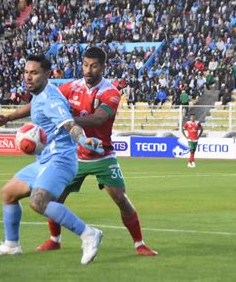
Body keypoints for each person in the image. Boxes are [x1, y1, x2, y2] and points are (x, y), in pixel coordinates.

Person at [0, 55, 104, 264]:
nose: (28, 77)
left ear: (47, 74)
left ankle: (89, 234)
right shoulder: (40, 95)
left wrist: (83, 141)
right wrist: (8, 118)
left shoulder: (51, 100)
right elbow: (31, 108)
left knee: (38, 202)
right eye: (26, 72)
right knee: (8, 193)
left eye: (34, 73)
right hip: (46, 159)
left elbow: (69, 125)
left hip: (61, 159)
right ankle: (12, 245)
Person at [36, 47, 157, 256]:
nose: (88, 70)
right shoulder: (70, 88)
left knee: (120, 198)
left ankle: (140, 244)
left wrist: (64, 120)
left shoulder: (110, 92)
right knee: (55, 199)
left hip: (102, 154)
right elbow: (47, 101)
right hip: (73, 155)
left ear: (102, 67)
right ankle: (54, 240)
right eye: (85, 65)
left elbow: (98, 118)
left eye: (93, 66)